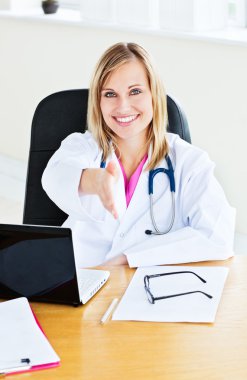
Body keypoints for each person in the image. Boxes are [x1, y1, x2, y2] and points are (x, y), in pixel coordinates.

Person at [42, 42, 235, 268]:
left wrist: (129, 258)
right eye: (110, 94)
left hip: (148, 287)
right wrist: (93, 180)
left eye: (135, 91)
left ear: (154, 94)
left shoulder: (189, 163)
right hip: (81, 282)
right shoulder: (82, 146)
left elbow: (217, 237)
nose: (123, 107)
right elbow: (54, 176)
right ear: (98, 102)